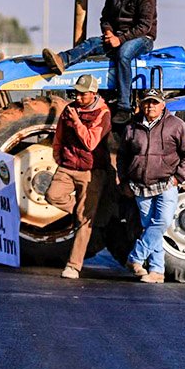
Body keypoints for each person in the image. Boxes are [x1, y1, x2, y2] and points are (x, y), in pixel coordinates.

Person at [41, 0, 157, 122]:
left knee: (124, 54)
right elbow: (105, 18)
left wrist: (121, 39)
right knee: (93, 42)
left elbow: (144, 26)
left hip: (141, 38)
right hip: (117, 36)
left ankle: (124, 106)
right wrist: (109, 32)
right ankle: (62, 60)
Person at [117, 88, 185, 284]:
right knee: (149, 227)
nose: (150, 106)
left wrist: (178, 178)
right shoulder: (131, 127)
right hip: (140, 186)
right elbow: (122, 157)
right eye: (146, 102)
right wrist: (124, 181)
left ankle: (135, 258)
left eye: (154, 102)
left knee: (162, 222)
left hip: (167, 184)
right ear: (141, 104)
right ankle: (157, 271)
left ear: (163, 104)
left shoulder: (176, 126)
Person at [46, 74, 113, 280]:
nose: (78, 97)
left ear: (93, 93)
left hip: (90, 171)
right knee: (52, 195)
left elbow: (91, 142)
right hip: (68, 165)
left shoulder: (103, 113)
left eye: (82, 94)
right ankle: (83, 213)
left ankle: (73, 266)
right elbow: (59, 133)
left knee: (85, 222)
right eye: (76, 92)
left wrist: (77, 122)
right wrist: (57, 154)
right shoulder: (69, 109)